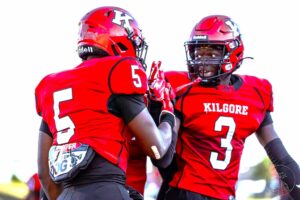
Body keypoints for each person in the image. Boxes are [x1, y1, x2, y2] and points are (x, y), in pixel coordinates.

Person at [149, 15, 300, 200]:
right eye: (198, 54)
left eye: (211, 55)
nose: (202, 62)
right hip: (185, 193)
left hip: (224, 195)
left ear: (233, 52)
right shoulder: (182, 87)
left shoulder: (257, 92)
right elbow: (162, 156)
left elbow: (280, 156)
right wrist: (159, 108)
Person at [34, 6, 176, 200]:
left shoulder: (50, 84)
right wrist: (167, 113)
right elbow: (157, 149)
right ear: (121, 42)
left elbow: (44, 175)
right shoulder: (118, 70)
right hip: (107, 189)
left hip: (65, 194)